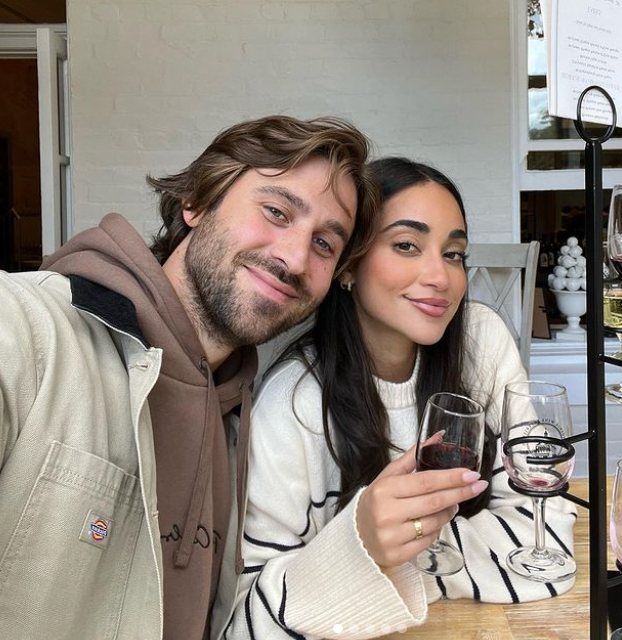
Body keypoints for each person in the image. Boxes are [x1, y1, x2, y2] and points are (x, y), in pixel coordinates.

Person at [0, 115, 380, 640]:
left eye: (324, 245)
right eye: (275, 211)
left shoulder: (245, 416)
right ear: (197, 202)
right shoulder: (29, 331)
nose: (293, 257)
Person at [221, 157, 577, 639]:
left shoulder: (483, 342)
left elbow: (545, 534)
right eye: (407, 245)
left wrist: (386, 571)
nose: (440, 277)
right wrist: (363, 545)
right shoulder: (293, 404)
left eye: (453, 254)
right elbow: (249, 618)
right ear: (348, 267)